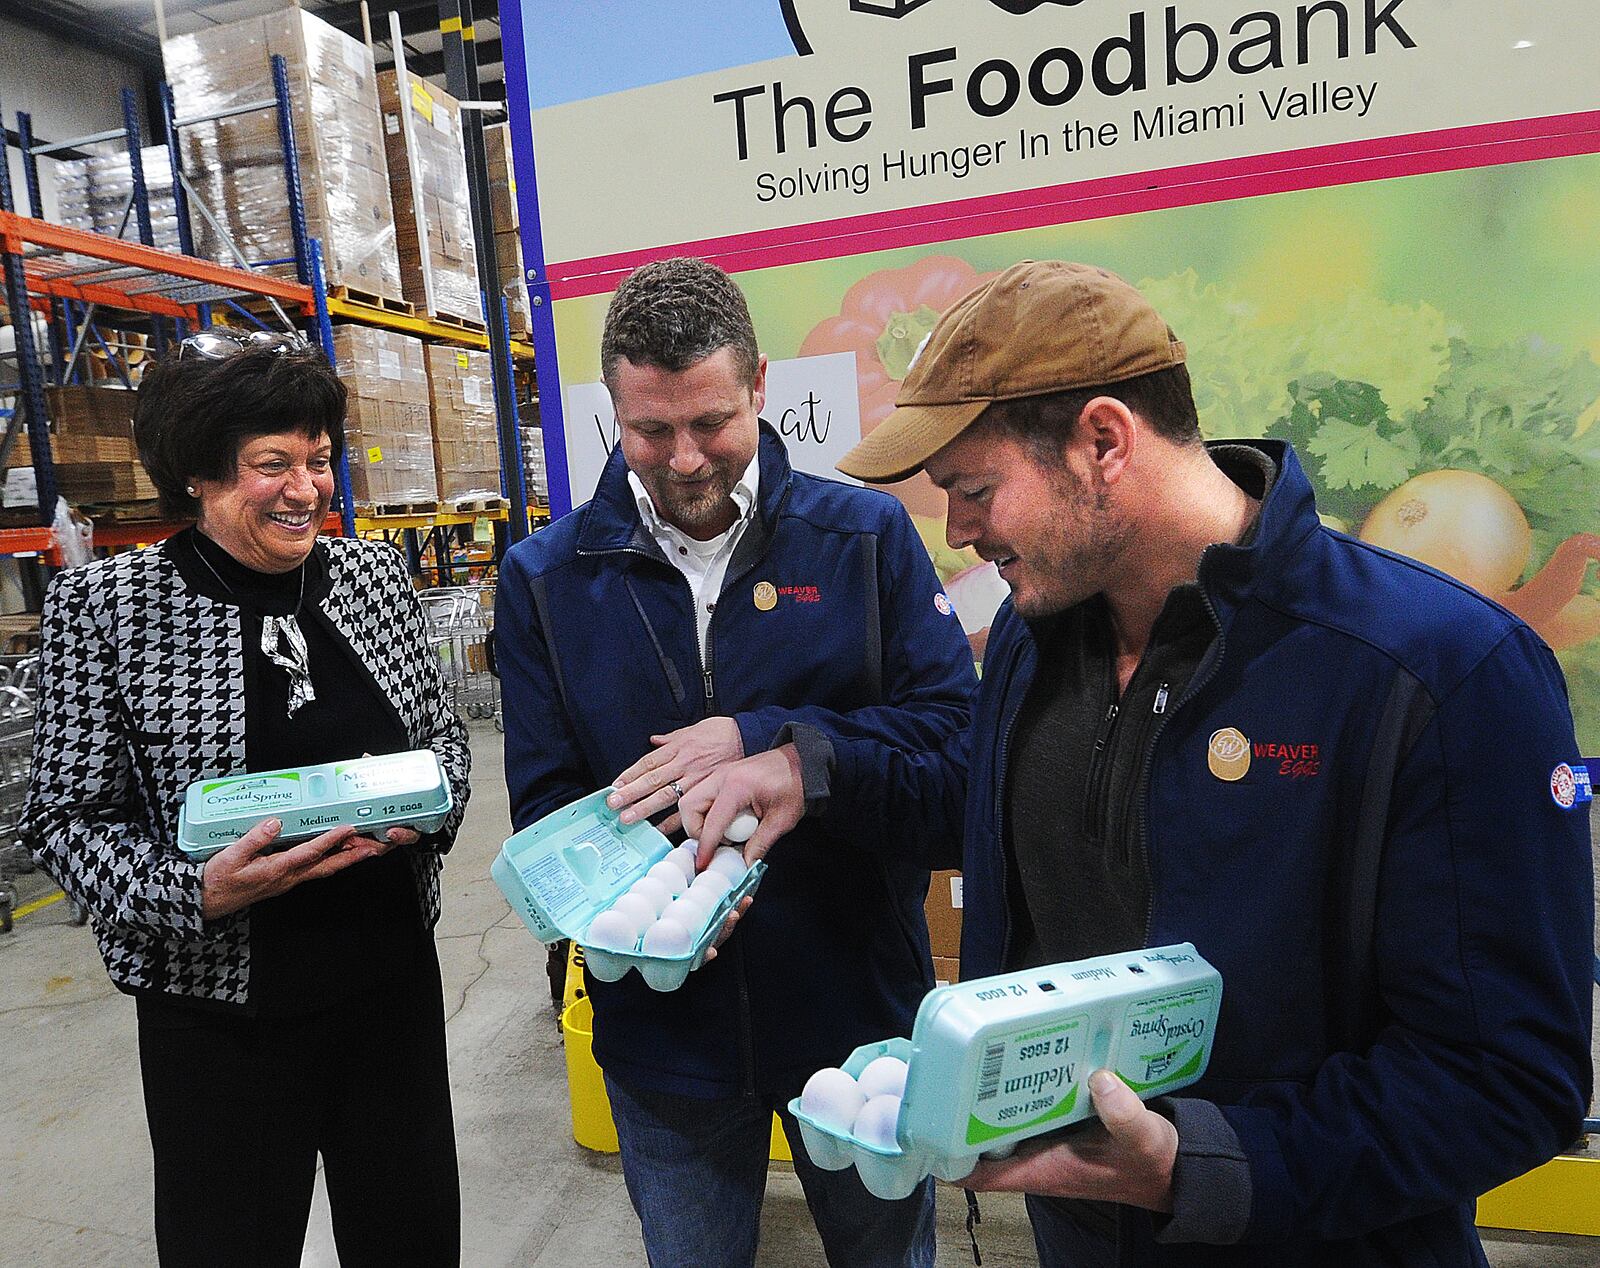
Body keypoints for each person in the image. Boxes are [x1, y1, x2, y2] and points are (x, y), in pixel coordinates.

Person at [683, 260, 1595, 1266]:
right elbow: (997, 809)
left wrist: (1198, 1163)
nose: (958, 529)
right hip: (1077, 1237)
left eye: (975, 489)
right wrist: (810, 768)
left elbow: (1509, 1077)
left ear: (1102, 441)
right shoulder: (1038, 633)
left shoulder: (1437, 670)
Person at [496, 257, 977, 1267]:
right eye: (649, 429)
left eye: (710, 421)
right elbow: (546, 810)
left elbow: (958, 764)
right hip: (664, 1032)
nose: (681, 459)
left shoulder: (863, 540)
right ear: (611, 410)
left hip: (855, 1014)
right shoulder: (546, 579)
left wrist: (778, 740)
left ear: (760, 385)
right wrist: (643, 902)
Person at [25, 330, 471, 1267]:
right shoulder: (111, 608)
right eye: (272, 464)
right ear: (197, 471)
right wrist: (192, 892)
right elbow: (63, 818)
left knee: (411, 1235)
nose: (306, 489)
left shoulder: (371, 580)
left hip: (388, 986)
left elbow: (444, 740)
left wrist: (430, 807)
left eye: (317, 459)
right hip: (222, 1019)